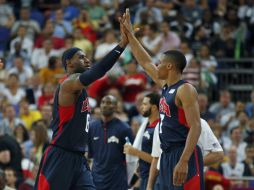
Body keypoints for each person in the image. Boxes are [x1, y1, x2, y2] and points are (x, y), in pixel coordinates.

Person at [33, 16, 128, 189]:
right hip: (60, 155)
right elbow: (97, 72)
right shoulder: (69, 83)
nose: (87, 60)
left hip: (78, 157)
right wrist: (121, 45)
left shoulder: (80, 88)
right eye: (81, 57)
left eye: (86, 57)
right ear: (69, 63)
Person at [120, 9, 203, 189]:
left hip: (182, 153)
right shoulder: (166, 86)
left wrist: (183, 161)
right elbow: (145, 62)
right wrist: (131, 36)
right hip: (166, 154)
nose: (156, 65)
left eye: (160, 63)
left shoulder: (185, 89)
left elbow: (196, 126)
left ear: (170, 66)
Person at [147, 118, 224, 190]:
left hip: (188, 178)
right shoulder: (160, 124)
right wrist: (149, 187)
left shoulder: (199, 123)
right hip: (163, 177)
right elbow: (156, 157)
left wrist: (190, 164)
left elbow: (218, 154)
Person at [88, 95, 133, 190]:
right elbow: (90, 156)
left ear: (116, 107)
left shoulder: (124, 129)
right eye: (103, 102)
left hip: (117, 181)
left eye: (109, 103)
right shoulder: (92, 127)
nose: (105, 105)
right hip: (96, 181)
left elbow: (131, 158)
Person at [123, 93, 160, 190]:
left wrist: (135, 152)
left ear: (154, 107)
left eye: (144, 104)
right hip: (144, 176)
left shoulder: (159, 128)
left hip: (155, 178)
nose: (141, 107)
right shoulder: (147, 126)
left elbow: (158, 160)